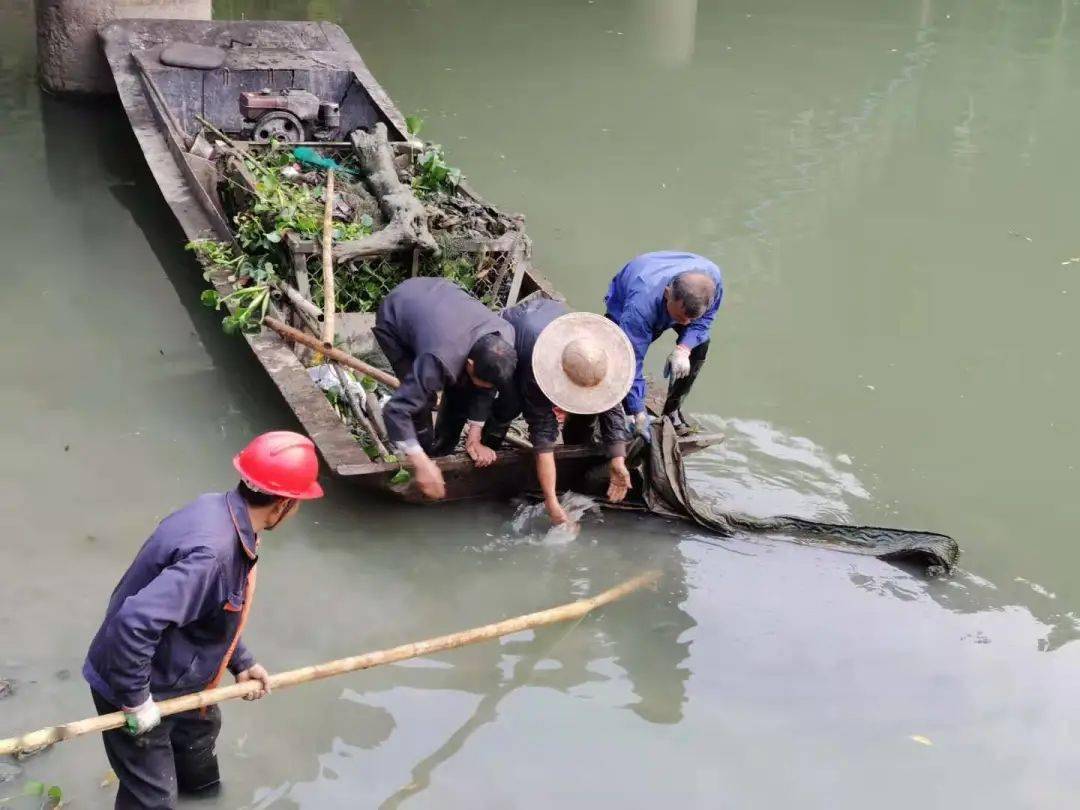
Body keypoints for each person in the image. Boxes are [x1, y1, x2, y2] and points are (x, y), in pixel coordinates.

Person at [82, 431, 323, 809]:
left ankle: (205, 798)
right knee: (153, 800)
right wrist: (136, 703)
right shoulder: (214, 555)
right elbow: (133, 622)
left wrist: (241, 662)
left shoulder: (223, 512)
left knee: (200, 743)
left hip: (184, 678)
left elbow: (212, 607)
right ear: (284, 505)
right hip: (136, 681)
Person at [481, 298, 635, 525]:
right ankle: (489, 443)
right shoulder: (538, 368)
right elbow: (542, 434)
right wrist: (551, 501)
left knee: (590, 409)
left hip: (551, 324)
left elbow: (611, 406)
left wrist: (618, 459)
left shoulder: (596, 354)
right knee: (510, 404)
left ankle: (576, 447)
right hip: (515, 339)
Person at [373, 277, 517, 499]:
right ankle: (422, 448)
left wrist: (475, 437)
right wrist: (421, 463)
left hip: (442, 298)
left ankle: (441, 447)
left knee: (463, 391)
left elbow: (485, 389)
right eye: (482, 382)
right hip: (398, 312)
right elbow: (395, 409)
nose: (486, 388)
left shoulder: (505, 335)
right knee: (419, 399)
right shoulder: (437, 359)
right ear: (469, 364)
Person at [604, 251, 723, 436]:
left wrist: (684, 348)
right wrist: (637, 410)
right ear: (667, 294)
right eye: (678, 318)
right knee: (617, 353)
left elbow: (704, 321)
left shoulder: (713, 282)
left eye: (689, 320)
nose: (683, 324)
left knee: (700, 345)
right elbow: (632, 358)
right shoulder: (640, 307)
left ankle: (672, 409)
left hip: (670, 295)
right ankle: (621, 409)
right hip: (633, 290)